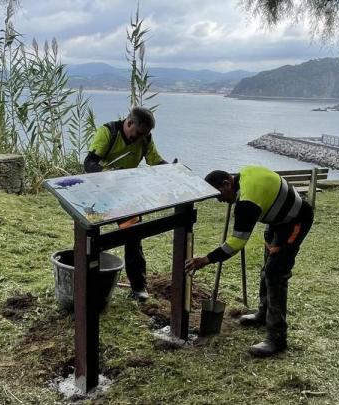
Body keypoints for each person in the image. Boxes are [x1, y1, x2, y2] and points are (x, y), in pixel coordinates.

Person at [185, 165, 314, 357]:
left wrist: (205, 259)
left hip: (295, 221)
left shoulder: (247, 203)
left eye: (218, 195)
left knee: (275, 274)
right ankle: (263, 314)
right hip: (277, 220)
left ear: (227, 183)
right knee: (267, 269)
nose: (219, 201)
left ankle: (276, 339)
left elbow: (236, 243)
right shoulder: (244, 176)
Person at [84, 106, 168, 302]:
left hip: (125, 197)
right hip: (98, 194)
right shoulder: (108, 132)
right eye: (137, 133)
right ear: (129, 123)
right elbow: (89, 163)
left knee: (133, 237)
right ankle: (86, 282)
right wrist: (107, 176)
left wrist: (174, 169)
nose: (139, 139)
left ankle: (138, 287)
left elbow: (155, 161)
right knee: (90, 239)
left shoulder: (145, 138)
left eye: (144, 135)